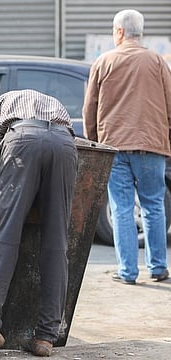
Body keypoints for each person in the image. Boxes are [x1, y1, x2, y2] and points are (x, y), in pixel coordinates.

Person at [0, 89, 78, 357]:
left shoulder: (4, 100)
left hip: (23, 140)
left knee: (5, 238)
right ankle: (46, 338)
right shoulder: (55, 103)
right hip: (64, 145)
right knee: (56, 245)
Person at [82, 9, 170, 285]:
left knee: (121, 209)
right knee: (153, 206)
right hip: (152, 147)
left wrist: (95, 142)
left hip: (115, 147)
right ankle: (158, 268)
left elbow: (89, 109)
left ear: (119, 32)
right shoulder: (157, 62)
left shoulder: (104, 61)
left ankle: (127, 272)